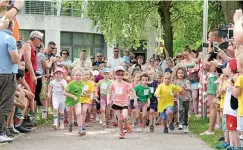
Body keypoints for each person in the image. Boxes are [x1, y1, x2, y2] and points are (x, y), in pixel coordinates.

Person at [0, 20, 24, 143]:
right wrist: (20, 53)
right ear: (11, 26)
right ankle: (1, 132)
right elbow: (15, 59)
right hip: (6, 74)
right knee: (5, 103)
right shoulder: (9, 38)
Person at [107, 66, 138, 139]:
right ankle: (121, 133)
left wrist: (135, 100)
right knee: (120, 119)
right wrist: (108, 100)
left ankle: (126, 125)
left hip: (124, 103)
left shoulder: (126, 84)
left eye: (121, 74)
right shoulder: (113, 83)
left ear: (123, 75)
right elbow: (109, 92)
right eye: (118, 74)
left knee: (125, 116)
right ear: (115, 75)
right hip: (116, 103)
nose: (119, 76)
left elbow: (132, 91)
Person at [63, 68, 84, 136]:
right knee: (70, 115)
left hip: (77, 101)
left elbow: (82, 92)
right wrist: (73, 96)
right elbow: (64, 93)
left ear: (82, 76)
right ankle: (70, 124)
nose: (78, 76)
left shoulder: (82, 84)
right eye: (76, 75)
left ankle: (80, 130)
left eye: (80, 75)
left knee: (78, 114)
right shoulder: (71, 84)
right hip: (69, 102)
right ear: (73, 76)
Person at [174, 67, 191, 133]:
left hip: (187, 98)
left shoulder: (186, 81)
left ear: (184, 74)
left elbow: (189, 88)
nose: (180, 74)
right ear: (177, 74)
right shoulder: (175, 82)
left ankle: (185, 125)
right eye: (179, 73)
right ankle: (180, 123)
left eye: (182, 73)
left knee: (186, 112)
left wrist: (183, 88)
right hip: (179, 98)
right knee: (181, 109)